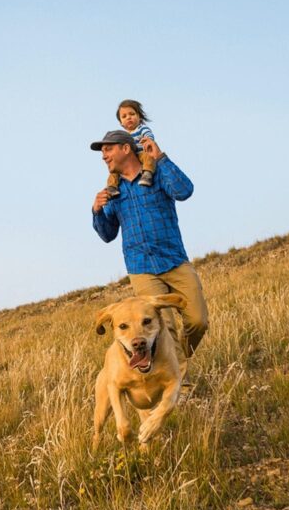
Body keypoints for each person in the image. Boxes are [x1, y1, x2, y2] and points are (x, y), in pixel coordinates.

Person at [90, 130, 209, 377]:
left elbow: (184, 191)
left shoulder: (155, 175)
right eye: (102, 152)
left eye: (108, 149)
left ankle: (175, 357)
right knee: (164, 326)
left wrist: (162, 158)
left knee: (198, 320)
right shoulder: (112, 192)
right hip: (141, 267)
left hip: (174, 259)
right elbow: (107, 235)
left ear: (125, 148)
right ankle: (180, 386)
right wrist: (97, 211)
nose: (104, 156)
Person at [105, 99, 156, 196]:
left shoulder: (142, 128)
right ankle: (111, 187)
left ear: (139, 117)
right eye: (124, 116)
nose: (128, 117)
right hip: (129, 157)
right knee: (115, 170)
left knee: (148, 157)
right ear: (121, 123)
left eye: (132, 114)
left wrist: (148, 140)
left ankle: (147, 174)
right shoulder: (123, 135)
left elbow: (148, 135)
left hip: (141, 152)